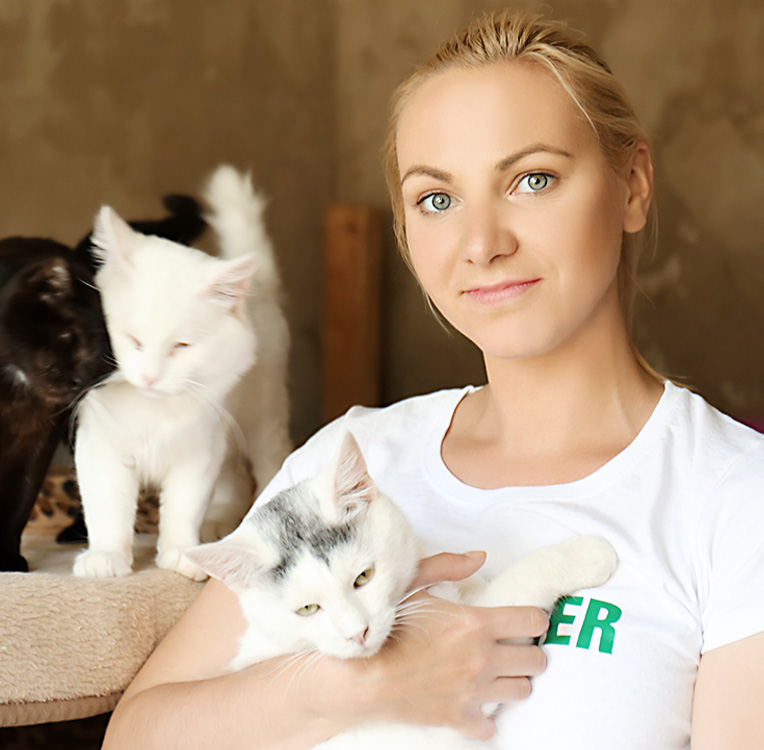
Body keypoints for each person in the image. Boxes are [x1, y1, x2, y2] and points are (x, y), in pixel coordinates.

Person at [102, 10, 764, 749]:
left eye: (533, 179)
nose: (482, 244)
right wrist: (351, 689)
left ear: (633, 186)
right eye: (437, 200)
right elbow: (135, 735)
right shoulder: (350, 463)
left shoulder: (736, 498)